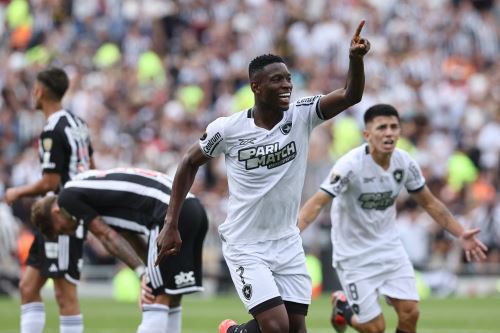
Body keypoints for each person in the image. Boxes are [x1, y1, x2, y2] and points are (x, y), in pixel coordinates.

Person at [156, 20, 370, 333]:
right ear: (256, 87)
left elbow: (351, 95)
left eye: (288, 79)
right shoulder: (228, 129)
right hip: (247, 244)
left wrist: (355, 59)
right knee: (275, 327)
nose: (287, 85)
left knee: (296, 330)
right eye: (277, 80)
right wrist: (170, 223)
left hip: (286, 241)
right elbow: (189, 162)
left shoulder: (302, 115)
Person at [298, 104, 488, 333]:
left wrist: (460, 233)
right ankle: (343, 308)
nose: (389, 133)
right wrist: (292, 234)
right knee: (375, 328)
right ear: (367, 134)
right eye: (382, 128)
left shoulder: (404, 162)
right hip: (354, 255)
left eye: (393, 127)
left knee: (411, 313)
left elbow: (429, 202)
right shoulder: (350, 165)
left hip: (389, 249)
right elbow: (318, 202)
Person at [31, 167, 208, 333]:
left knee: (154, 296)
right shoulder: (90, 190)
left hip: (168, 216)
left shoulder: (67, 199)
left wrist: (142, 274)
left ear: (56, 212)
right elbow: (130, 236)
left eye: (61, 229)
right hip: (194, 210)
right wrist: (148, 270)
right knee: (171, 296)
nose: (70, 231)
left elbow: (106, 236)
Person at [4, 67, 94, 333]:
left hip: (63, 217)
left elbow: (50, 183)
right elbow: (92, 164)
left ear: (41, 91)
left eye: (35, 87)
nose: (33, 92)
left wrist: (17, 192)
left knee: (65, 294)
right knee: (28, 287)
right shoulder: (78, 123)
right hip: (59, 217)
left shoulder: (52, 129)